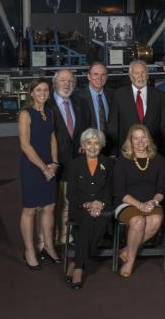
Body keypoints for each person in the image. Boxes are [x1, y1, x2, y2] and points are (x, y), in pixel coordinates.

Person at [113, 124, 165, 278]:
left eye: (143, 138)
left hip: (152, 202)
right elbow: (120, 192)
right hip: (127, 203)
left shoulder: (159, 160)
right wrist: (140, 205)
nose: (140, 142)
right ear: (131, 141)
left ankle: (126, 251)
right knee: (138, 222)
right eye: (136, 138)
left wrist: (153, 202)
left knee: (155, 220)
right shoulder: (122, 161)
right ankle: (130, 261)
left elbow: (161, 190)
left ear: (149, 140)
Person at [19, 78, 60, 270]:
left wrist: (54, 163)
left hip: (48, 166)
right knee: (30, 209)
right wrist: (44, 168)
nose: (43, 93)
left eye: (45, 90)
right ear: (31, 93)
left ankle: (48, 246)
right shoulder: (25, 114)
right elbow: (25, 145)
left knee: (49, 207)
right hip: (32, 166)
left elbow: (52, 139)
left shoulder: (50, 113)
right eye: (38, 90)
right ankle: (29, 250)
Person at [65, 128, 113, 289]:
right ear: (83, 146)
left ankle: (76, 262)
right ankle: (79, 267)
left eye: (96, 143)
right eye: (89, 143)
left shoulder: (107, 163)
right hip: (80, 207)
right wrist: (88, 204)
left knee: (99, 221)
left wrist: (100, 203)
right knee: (87, 220)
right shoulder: (74, 164)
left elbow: (110, 189)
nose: (93, 147)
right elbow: (71, 194)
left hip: (102, 206)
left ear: (101, 145)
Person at [48, 69, 90, 247]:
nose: (67, 84)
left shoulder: (79, 102)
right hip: (51, 161)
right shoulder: (46, 104)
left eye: (70, 81)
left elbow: (85, 129)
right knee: (49, 204)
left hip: (74, 162)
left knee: (67, 201)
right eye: (63, 80)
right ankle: (46, 241)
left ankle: (65, 238)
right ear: (55, 83)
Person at [108, 60, 165, 156]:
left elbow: (164, 127)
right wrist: (112, 154)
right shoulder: (118, 96)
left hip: (153, 154)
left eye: (143, 73)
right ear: (130, 76)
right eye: (136, 73)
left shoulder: (160, 96)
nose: (140, 77)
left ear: (148, 74)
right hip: (126, 153)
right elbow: (113, 127)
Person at [72, 62, 112, 142]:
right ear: (89, 76)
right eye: (96, 74)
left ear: (106, 77)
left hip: (110, 145)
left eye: (103, 75)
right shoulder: (77, 98)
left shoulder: (112, 95)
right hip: (88, 146)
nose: (99, 78)